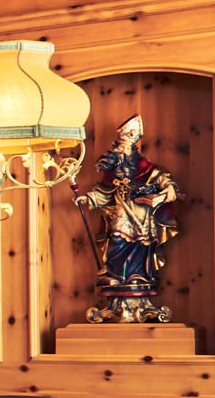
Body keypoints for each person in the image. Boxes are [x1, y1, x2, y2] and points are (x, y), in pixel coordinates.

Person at [73, 115, 180, 321]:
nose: (120, 152)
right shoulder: (114, 172)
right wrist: (87, 198)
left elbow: (167, 183)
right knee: (116, 237)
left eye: (124, 148)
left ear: (133, 149)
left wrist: (165, 193)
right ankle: (116, 275)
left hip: (142, 217)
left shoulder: (148, 170)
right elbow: (104, 193)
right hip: (121, 213)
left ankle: (137, 278)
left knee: (141, 247)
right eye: (119, 148)